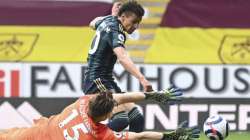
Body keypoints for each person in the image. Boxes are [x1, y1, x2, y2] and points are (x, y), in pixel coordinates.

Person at [0, 87, 200, 140]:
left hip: (28, 134)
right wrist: (170, 136)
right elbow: (140, 136)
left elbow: (120, 97)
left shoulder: (82, 102)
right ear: (105, 117)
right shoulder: (100, 134)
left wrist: (154, 95)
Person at [84, 0, 154, 133]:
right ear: (123, 17)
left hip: (106, 81)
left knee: (136, 118)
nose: (136, 26)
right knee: (121, 119)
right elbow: (122, 57)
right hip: (96, 80)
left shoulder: (108, 21)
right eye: (134, 21)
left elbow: (92, 23)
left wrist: (112, 16)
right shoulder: (116, 31)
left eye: (138, 22)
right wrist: (142, 79)